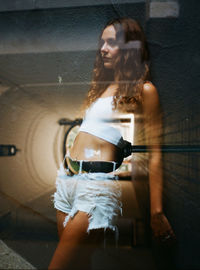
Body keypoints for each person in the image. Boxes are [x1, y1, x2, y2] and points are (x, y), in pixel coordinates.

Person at [48, 17, 175, 270]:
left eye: (111, 43)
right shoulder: (102, 88)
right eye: (102, 43)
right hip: (67, 178)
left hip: (96, 187)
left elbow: (155, 154)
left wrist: (156, 212)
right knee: (79, 264)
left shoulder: (144, 90)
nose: (103, 49)